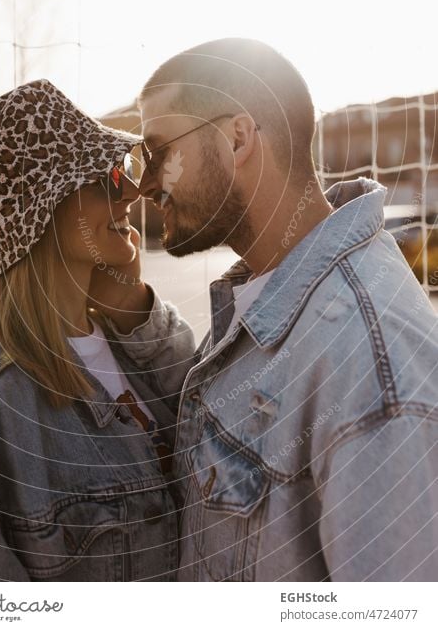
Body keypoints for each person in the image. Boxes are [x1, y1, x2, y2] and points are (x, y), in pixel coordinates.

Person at [136, 37, 438, 581]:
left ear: (237, 137)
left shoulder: (370, 359)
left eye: (157, 153)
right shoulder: (265, 295)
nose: (146, 183)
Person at [0, 78, 195, 582]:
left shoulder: (139, 349)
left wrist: (134, 307)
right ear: (40, 213)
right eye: (104, 178)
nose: (130, 189)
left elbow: (203, 409)